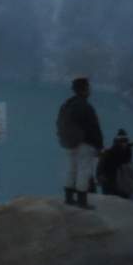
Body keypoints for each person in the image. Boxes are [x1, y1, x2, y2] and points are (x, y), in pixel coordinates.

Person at [57, 76, 104, 209]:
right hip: (84, 144)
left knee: (71, 169)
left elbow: (59, 124)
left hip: (68, 143)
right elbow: (94, 128)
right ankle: (82, 201)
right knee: (84, 170)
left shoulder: (67, 105)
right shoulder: (86, 107)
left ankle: (69, 198)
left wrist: (63, 140)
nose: (90, 90)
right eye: (88, 87)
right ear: (84, 89)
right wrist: (99, 146)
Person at [98, 130, 133, 199]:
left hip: (120, 188)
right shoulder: (110, 154)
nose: (123, 144)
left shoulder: (126, 154)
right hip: (112, 187)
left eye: (124, 141)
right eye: (122, 141)